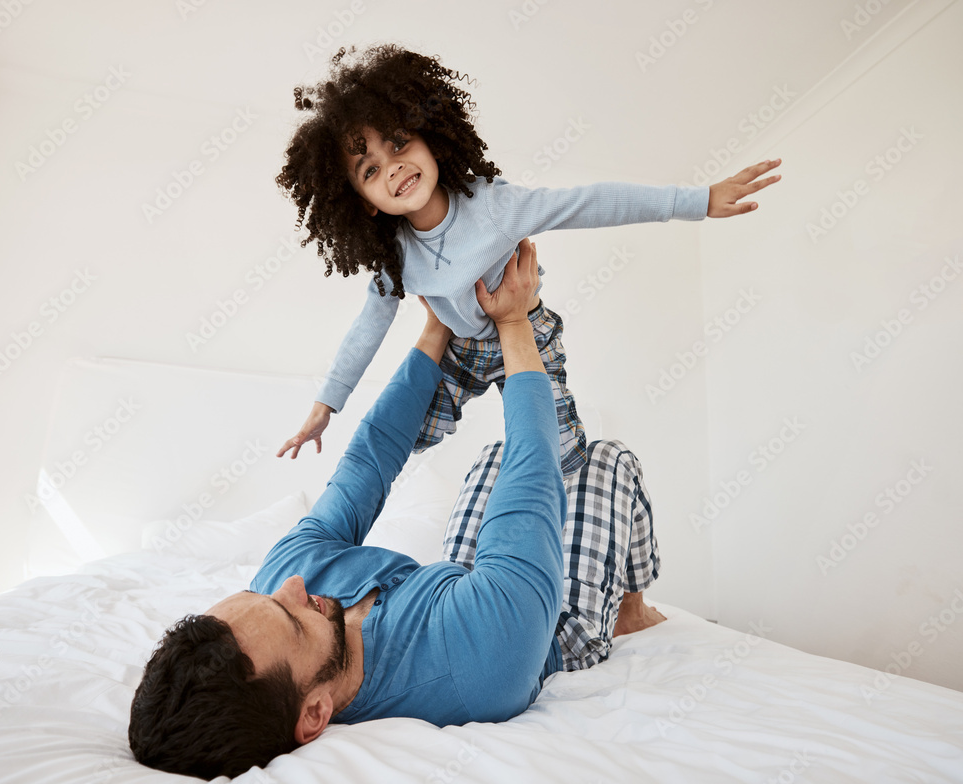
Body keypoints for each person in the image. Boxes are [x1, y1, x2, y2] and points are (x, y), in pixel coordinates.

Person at [128, 240, 666, 779]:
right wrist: (515, 322)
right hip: (548, 624)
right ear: (314, 713)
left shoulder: (283, 584)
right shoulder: (476, 664)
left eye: (260, 596)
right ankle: (630, 611)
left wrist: (435, 327)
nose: (291, 587)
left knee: (491, 459)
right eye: (292, 619)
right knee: (606, 462)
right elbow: (533, 476)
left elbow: (369, 462)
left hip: (458, 587)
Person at [274, 44, 782, 475]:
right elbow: (368, 326)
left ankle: (601, 488)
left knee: (559, 455)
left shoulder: (493, 205)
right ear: (363, 200)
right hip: (461, 355)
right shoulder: (395, 256)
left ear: (428, 136)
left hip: (526, 335)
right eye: (369, 169)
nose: (394, 168)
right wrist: (326, 407)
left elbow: (586, 202)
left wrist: (695, 201)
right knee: (395, 441)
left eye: (400, 143)